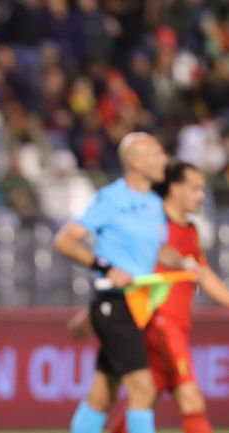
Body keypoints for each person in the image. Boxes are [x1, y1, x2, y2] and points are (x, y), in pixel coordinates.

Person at [53, 132, 181, 433]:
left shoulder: (152, 203)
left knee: (102, 395)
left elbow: (153, 248)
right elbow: (66, 241)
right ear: (135, 162)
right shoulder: (112, 198)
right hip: (117, 305)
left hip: (138, 305)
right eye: (157, 154)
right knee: (144, 390)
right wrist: (106, 267)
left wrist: (184, 262)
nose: (165, 160)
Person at [105, 161, 229, 433]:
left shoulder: (190, 229)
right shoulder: (153, 223)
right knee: (191, 399)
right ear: (174, 188)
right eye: (195, 188)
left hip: (176, 325)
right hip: (160, 323)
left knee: (143, 401)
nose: (202, 195)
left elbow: (204, 275)